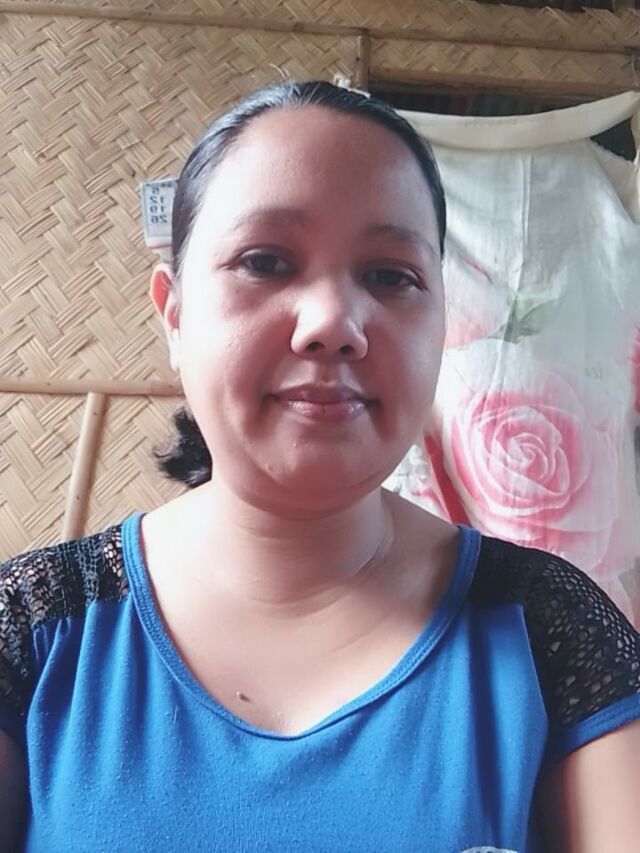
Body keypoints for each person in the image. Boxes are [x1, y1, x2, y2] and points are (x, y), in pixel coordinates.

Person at [0, 80, 638, 853]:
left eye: (391, 275)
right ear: (175, 314)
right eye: (266, 261)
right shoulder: (31, 630)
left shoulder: (553, 631)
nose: (335, 321)